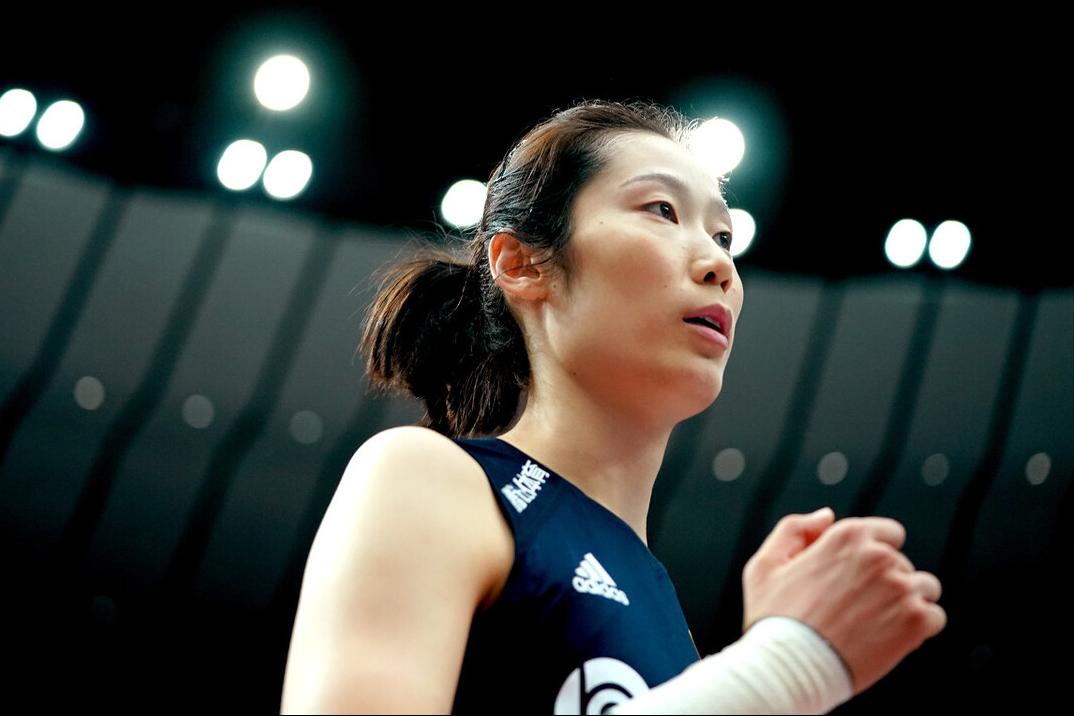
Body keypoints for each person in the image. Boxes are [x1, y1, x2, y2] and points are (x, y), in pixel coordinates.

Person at [279, 99, 946, 714]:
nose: (719, 265)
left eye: (724, 237)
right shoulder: (428, 477)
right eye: (661, 210)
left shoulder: (672, 626)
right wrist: (785, 666)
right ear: (522, 265)